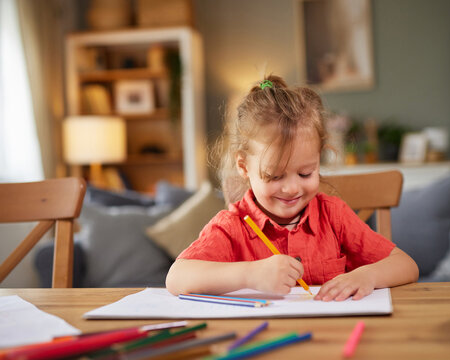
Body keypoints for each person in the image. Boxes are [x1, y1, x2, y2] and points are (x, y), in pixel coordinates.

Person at [166, 75, 418, 301]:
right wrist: (250, 274)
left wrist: (367, 276)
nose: (291, 188)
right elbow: (177, 278)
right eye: (275, 176)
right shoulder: (232, 226)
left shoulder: (333, 216)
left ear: (319, 158)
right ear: (243, 167)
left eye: (306, 173)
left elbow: (406, 265)